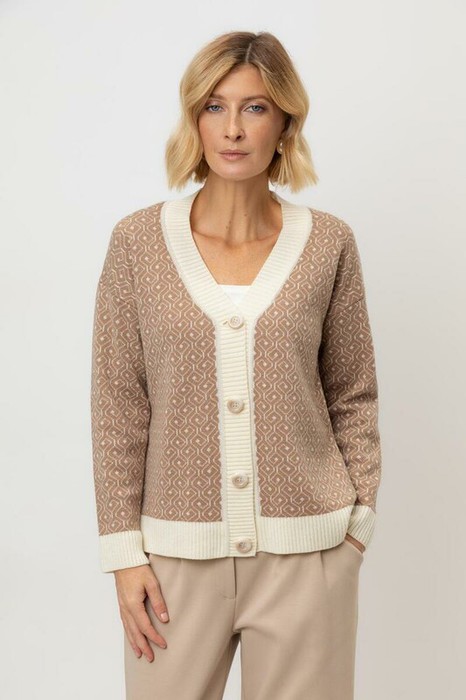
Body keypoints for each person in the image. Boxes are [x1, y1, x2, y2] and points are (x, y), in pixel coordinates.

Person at [90, 30, 382, 700]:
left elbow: (353, 393)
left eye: (255, 108)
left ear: (284, 123)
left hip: (308, 560)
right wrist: (124, 553)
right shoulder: (137, 243)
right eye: (214, 107)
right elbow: (118, 405)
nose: (233, 129)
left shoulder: (329, 243)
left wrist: (356, 526)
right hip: (173, 565)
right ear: (194, 118)